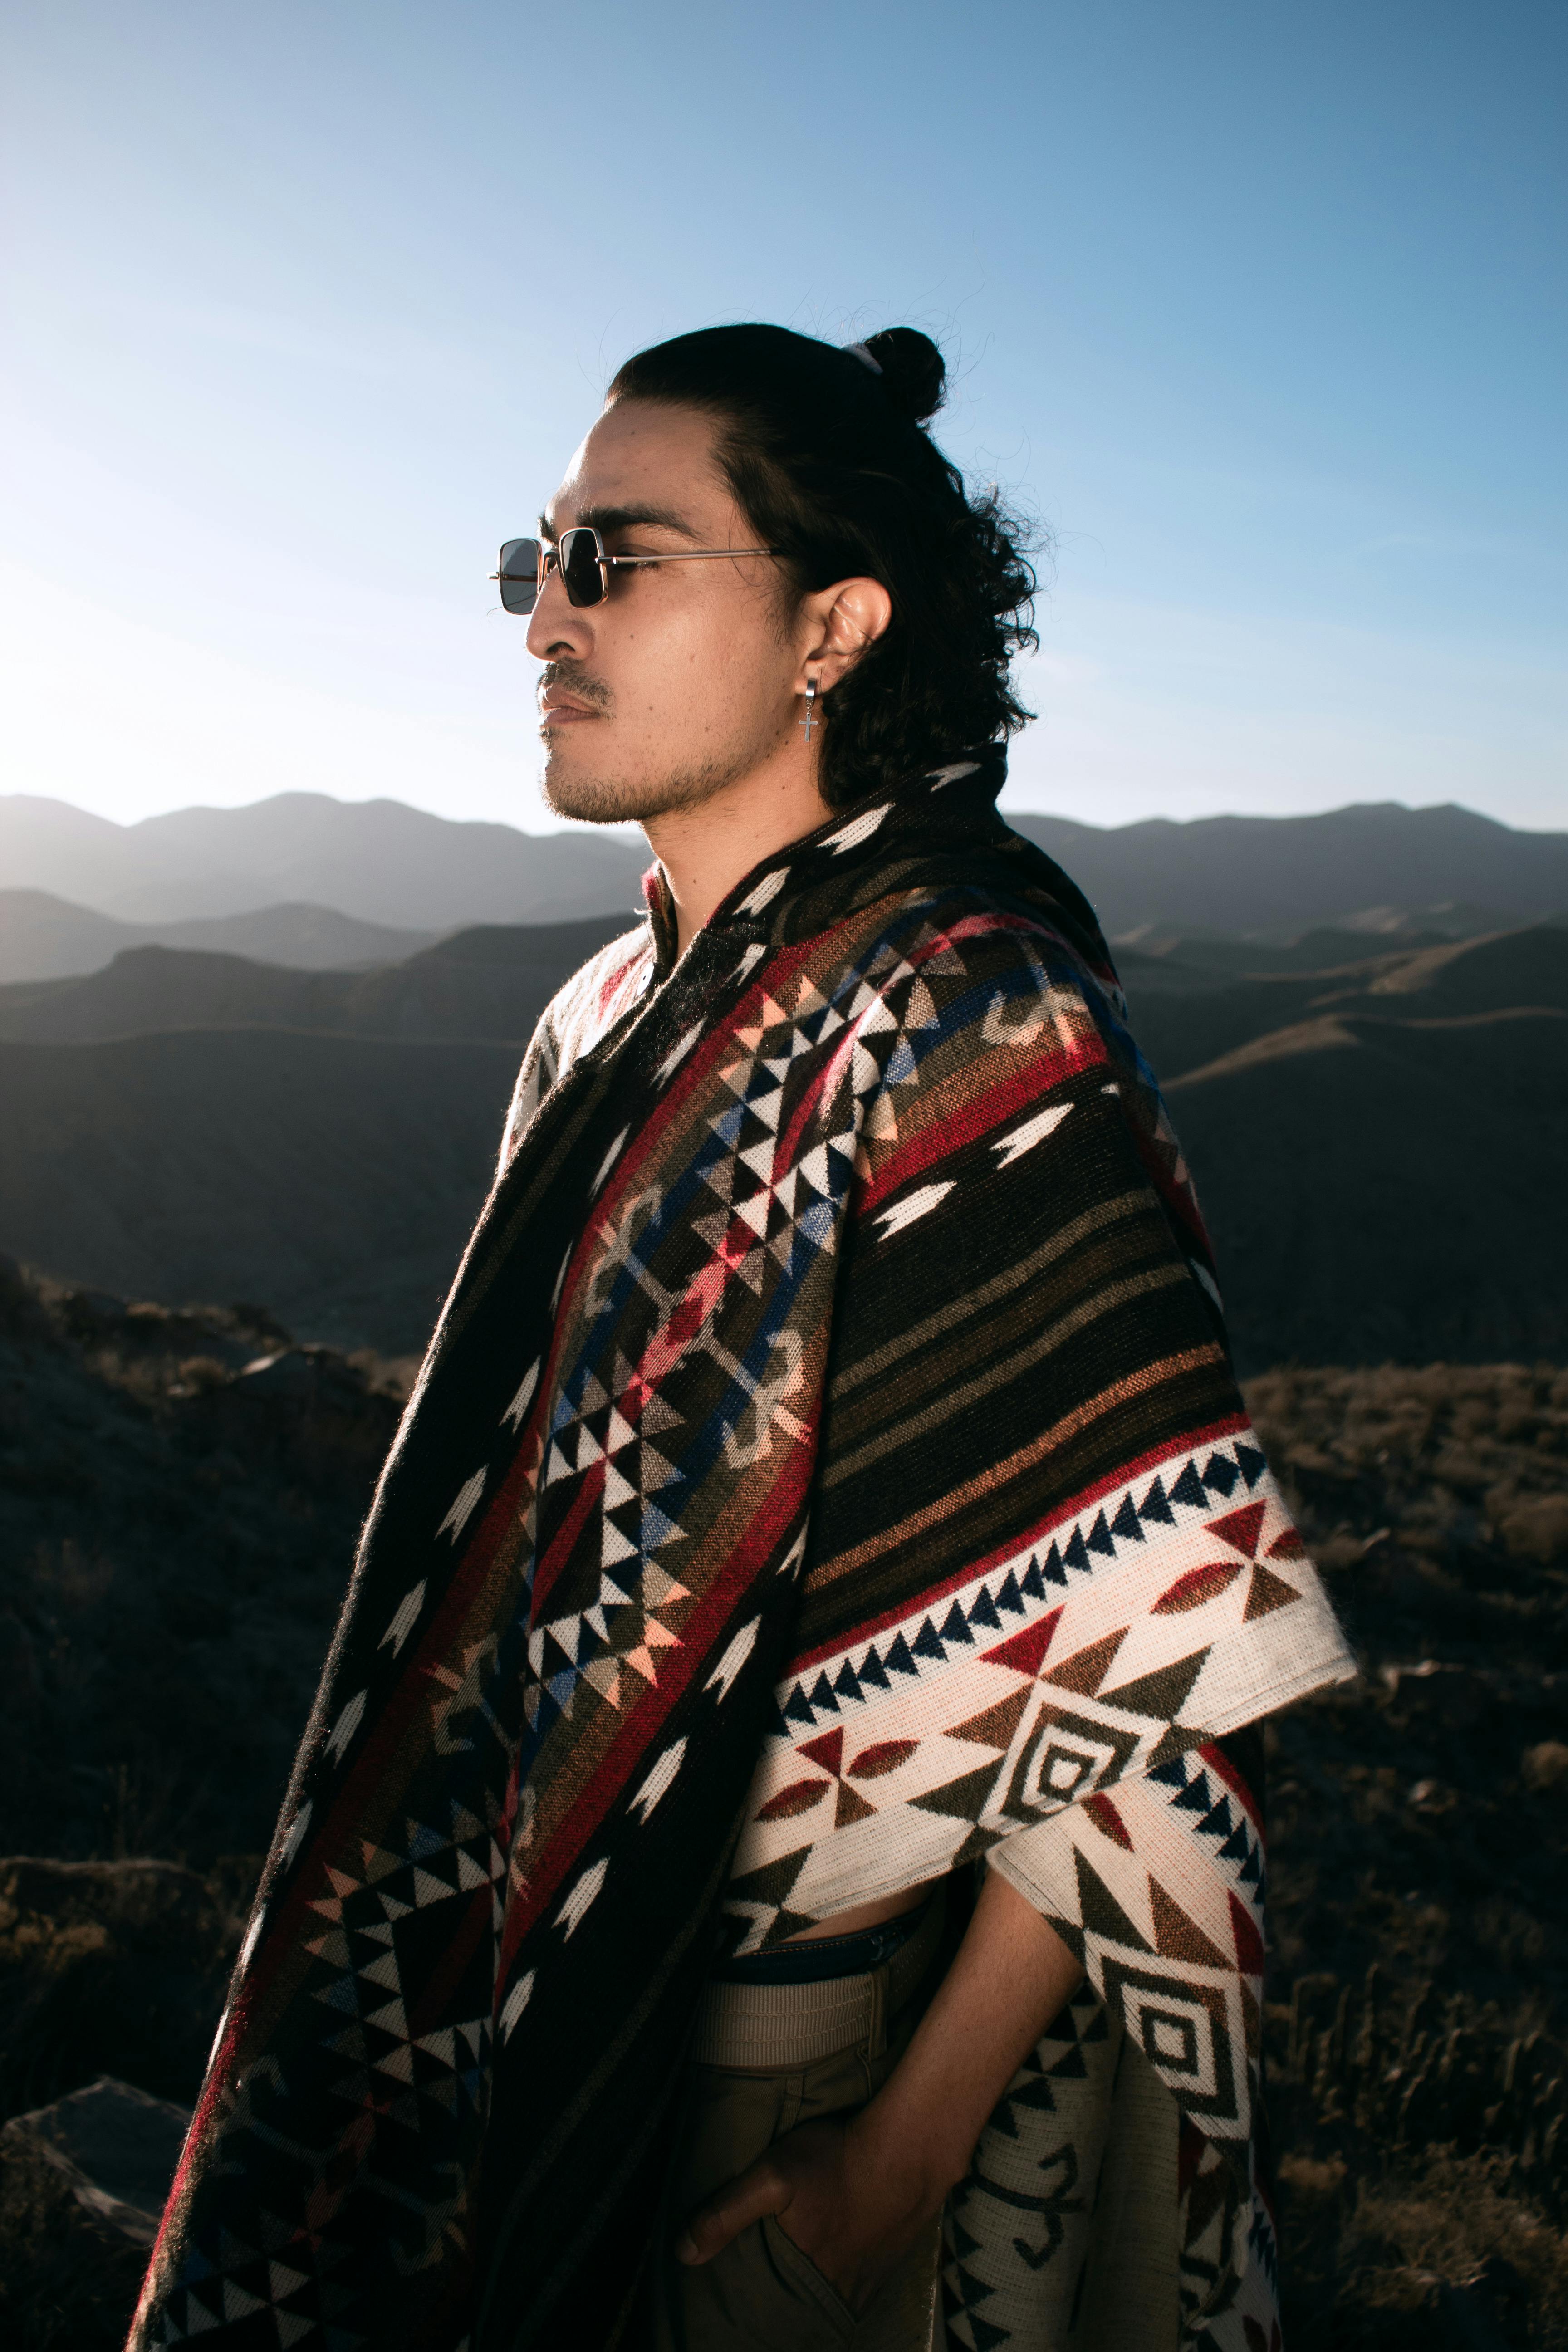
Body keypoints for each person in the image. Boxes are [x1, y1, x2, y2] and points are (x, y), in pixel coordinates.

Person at [131, 324, 1352, 2352]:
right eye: (536, 564)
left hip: (788, 2064)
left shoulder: (970, 1011)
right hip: (485, 1979)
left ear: (833, 628)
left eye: (619, 558)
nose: (547, 621)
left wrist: (906, 2151)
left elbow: (1157, 1647)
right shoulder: (605, 1012)